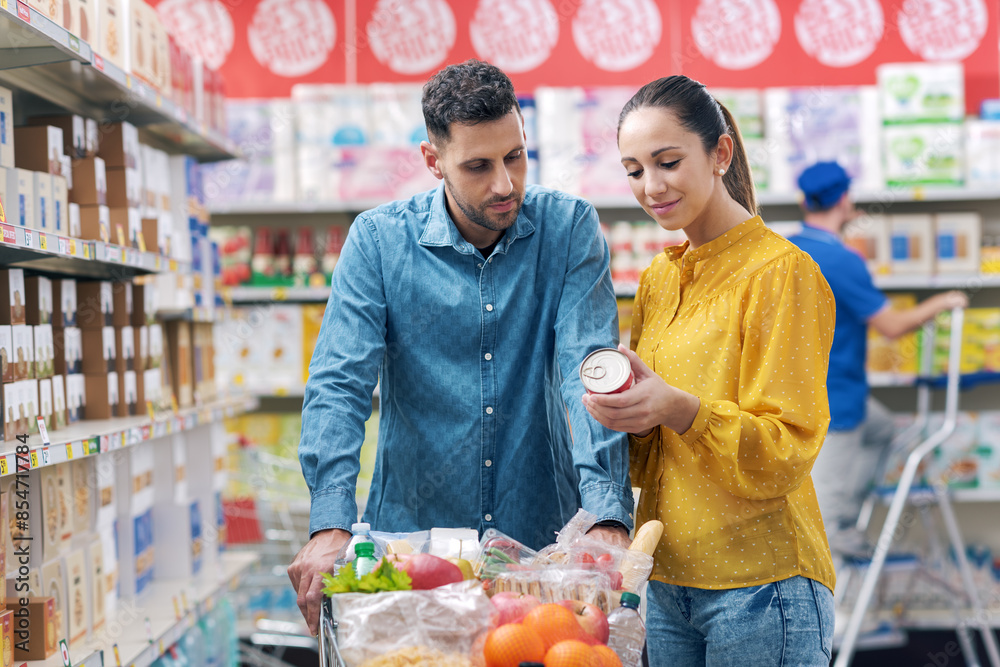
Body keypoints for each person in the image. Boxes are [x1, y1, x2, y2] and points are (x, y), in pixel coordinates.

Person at [287, 60, 635, 635]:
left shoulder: (568, 229)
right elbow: (340, 384)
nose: (504, 184)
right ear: (433, 160)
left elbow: (586, 370)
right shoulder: (378, 242)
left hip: (541, 552)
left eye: (515, 156)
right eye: (478, 166)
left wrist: (604, 511)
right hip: (411, 547)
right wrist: (330, 523)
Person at [583, 75, 837, 665]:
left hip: (762, 585)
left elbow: (787, 446)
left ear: (719, 153)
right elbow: (658, 450)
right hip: (667, 579)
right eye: (634, 169)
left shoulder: (780, 272)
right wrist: (632, 414)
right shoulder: (659, 277)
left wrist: (680, 408)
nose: (651, 186)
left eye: (667, 162)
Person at [787, 161, 968, 553]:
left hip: (792, 394)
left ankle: (849, 511)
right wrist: (942, 301)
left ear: (804, 200)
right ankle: (844, 541)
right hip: (836, 400)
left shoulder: (784, 249)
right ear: (845, 200)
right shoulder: (842, 260)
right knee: (827, 527)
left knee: (884, 428)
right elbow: (891, 325)